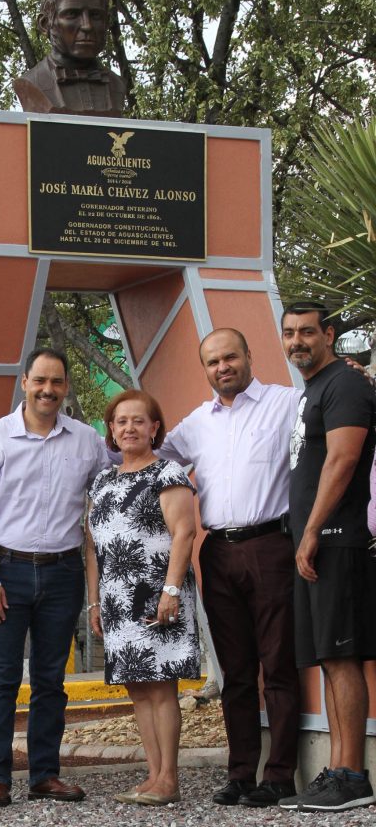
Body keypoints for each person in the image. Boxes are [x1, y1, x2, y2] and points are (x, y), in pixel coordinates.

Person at [158, 327, 301, 807]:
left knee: (278, 666)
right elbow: (152, 459)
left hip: (271, 547)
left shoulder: (285, 403)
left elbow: (330, 412)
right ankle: (241, 773)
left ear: (248, 356)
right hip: (217, 552)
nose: (223, 367)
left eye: (230, 357)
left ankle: (279, 776)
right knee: (235, 671)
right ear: (206, 368)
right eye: (213, 361)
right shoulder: (197, 423)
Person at [0, 347, 108, 808]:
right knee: (1, 679)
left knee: (50, 679)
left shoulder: (87, 441)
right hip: (6, 572)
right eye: (40, 380)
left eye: (57, 382)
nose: (48, 390)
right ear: (24, 381)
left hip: (63, 572)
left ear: (66, 386)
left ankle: (45, 774)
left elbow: (109, 493)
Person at [278, 301, 376, 812]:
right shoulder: (313, 388)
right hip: (315, 543)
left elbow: (344, 458)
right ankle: (337, 771)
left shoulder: (346, 384)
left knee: (342, 656)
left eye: (307, 332)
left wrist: (313, 530)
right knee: (327, 659)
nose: (297, 341)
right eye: (289, 332)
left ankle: (353, 775)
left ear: (329, 335)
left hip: (337, 540)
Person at [86, 390, 199, 805]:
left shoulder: (168, 473)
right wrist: (95, 601)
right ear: (111, 430)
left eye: (138, 421)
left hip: (156, 595)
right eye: (121, 421)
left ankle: (169, 779)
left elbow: (184, 532)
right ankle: (152, 776)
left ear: (154, 428)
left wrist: (170, 590)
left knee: (161, 687)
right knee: (137, 689)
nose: (129, 428)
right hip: (116, 601)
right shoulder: (102, 480)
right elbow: (93, 545)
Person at [13, 0, 126, 115]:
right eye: (72, 14)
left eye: (96, 15)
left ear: (107, 22)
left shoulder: (117, 85)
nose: (87, 26)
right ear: (45, 24)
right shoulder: (33, 82)